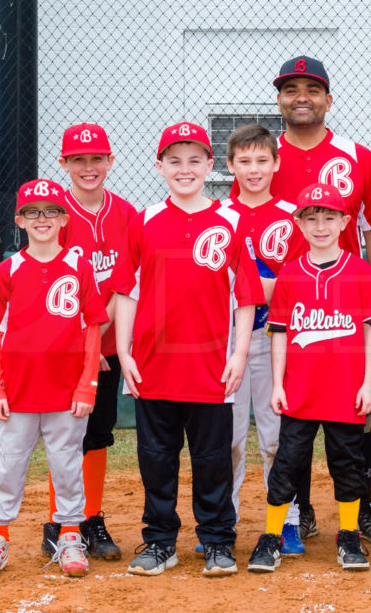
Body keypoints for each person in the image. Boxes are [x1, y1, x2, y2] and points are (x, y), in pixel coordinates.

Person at [234, 56, 371, 545]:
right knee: (296, 418)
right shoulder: (266, 158)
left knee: (352, 415)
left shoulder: (357, 156)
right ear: (279, 99)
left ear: (328, 98)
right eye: (290, 89)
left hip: (348, 308)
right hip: (292, 309)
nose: (300, 96)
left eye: (312, 88)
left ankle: (361, 507)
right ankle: (298, 511)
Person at [110, 122, 263, 578]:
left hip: (212, 367)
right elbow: (126, 293)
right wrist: (125, 353)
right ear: (159, 167)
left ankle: (217, 541)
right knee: (156, 459)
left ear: (210, 165)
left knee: (213, 459)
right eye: (174, 160)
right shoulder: (145, 220)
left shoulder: (231, 221)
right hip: (154, 366)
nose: (185, 169)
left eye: (194, 159)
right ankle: (160, 542)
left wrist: (238, 355)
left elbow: (247, 297)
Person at [0, 179, 107, 579]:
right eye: (33, 212)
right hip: (17, 393)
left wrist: (87, 386)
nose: (42, 219)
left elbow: (91, 332)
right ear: (19, 220)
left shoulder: (79, 268)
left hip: (66, 392)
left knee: (66, 464)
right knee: (8, 466)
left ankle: (69, 535)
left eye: (50, 211)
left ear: (64, 219)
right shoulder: (8, 270)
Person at [249, 183, 371, 573]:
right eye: (312, 218)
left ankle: (348, 536)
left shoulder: (360, 271)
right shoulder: (290, 275)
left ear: (344, 222)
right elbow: (281, 334)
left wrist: (369, 383)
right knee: (287, 465)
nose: (321, 225)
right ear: (299, 225)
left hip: (346, 391)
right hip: (299, 391)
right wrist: (277, 384)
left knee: (347, 465)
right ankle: (272, 536)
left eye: (329, 217)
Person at [37, 124, 137, 562]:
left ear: (110, 161)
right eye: (78, 159)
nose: (88, 167)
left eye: (96, 158)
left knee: (97, 433)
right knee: (64, 435)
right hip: (63, 348)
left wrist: (96, 343)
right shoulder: (53, 214)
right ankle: (60, 520)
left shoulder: (127, 214)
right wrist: (81, 346)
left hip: (108, 345)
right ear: (64, 164)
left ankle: (91, 518)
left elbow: (125, 281)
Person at [219, 123, 307, 553]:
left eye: (262, 160)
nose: (253, 170)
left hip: (277, 341)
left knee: (276, 438)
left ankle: (285, 521)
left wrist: (248, 287)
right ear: (229, 165)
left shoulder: (292, 215)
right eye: (244, 161)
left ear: (276, 163)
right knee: (229, 440)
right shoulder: (217, 216)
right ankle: (224, 521)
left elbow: (297, 283)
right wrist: (258, 287)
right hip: (228, 342)